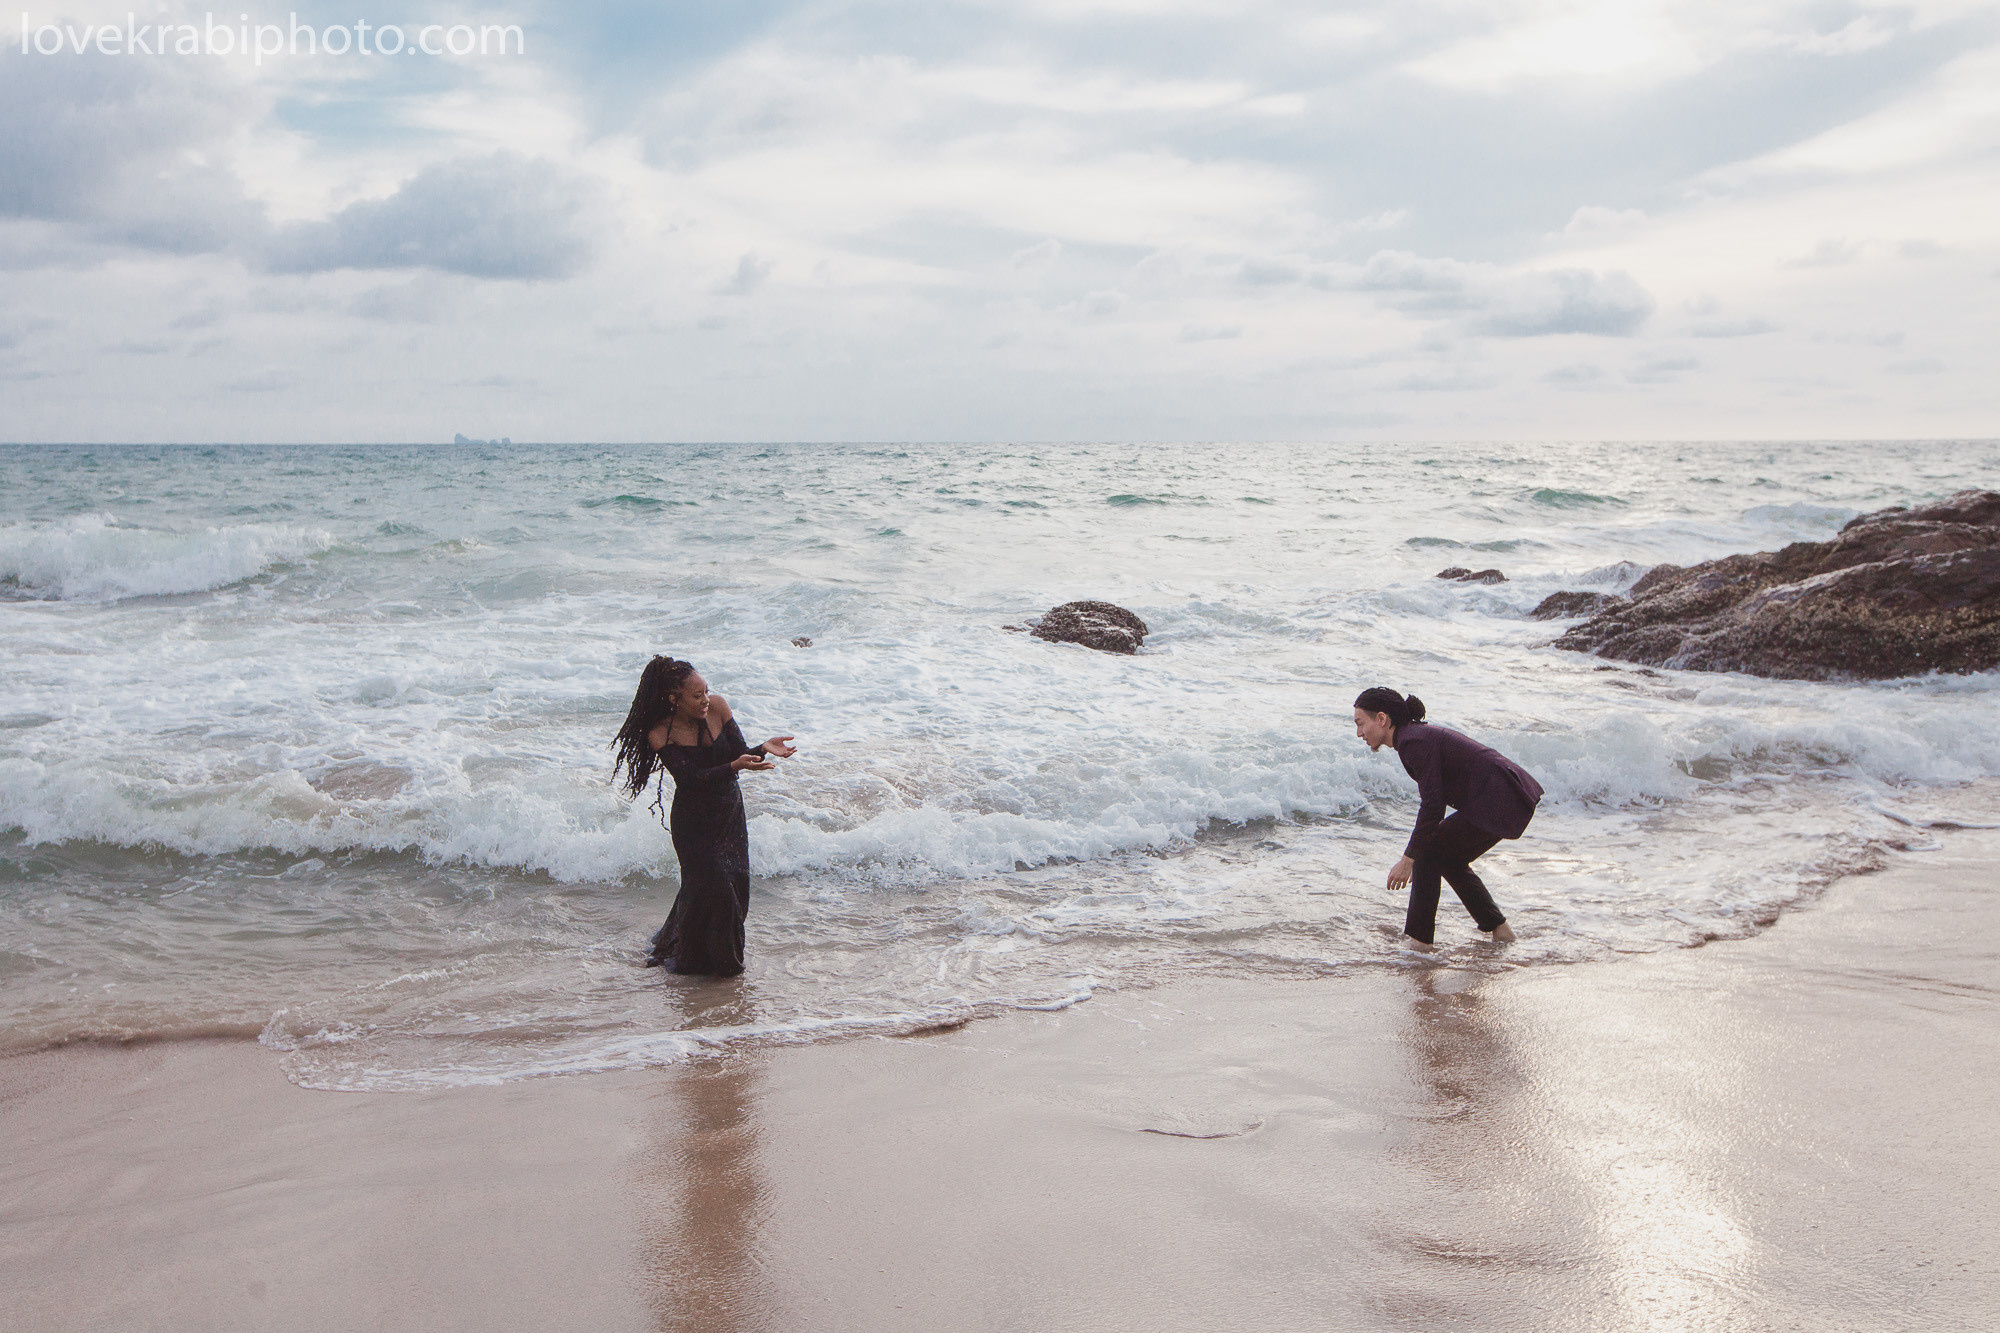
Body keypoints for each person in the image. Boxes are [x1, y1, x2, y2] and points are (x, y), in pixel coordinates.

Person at [612, 656, 796, 976]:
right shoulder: (660, 732)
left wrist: (763, 748)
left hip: (729, 813)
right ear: (675, 699)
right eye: (697, 696)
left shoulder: (719, 707)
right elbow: (692, 780)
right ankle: (726, 971)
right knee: (716, 892)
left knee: (735, 888)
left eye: (707, 691)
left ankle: (701, 959)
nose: (705, 700)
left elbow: (739, 755)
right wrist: (735, 766)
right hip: (694, 823)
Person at [1353, 687, 1542, 950]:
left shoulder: (1412, 742)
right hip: (1508, 795)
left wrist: (1407, 860)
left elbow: (1433, 805)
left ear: (1382, 719)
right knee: (1446, 857)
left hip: (1502, 797)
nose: (1359, 733)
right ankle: (1500, 930)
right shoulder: (1412, 738)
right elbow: (1435, 803)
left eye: (1361, 724)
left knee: (1427, 851)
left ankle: (1420, 942)